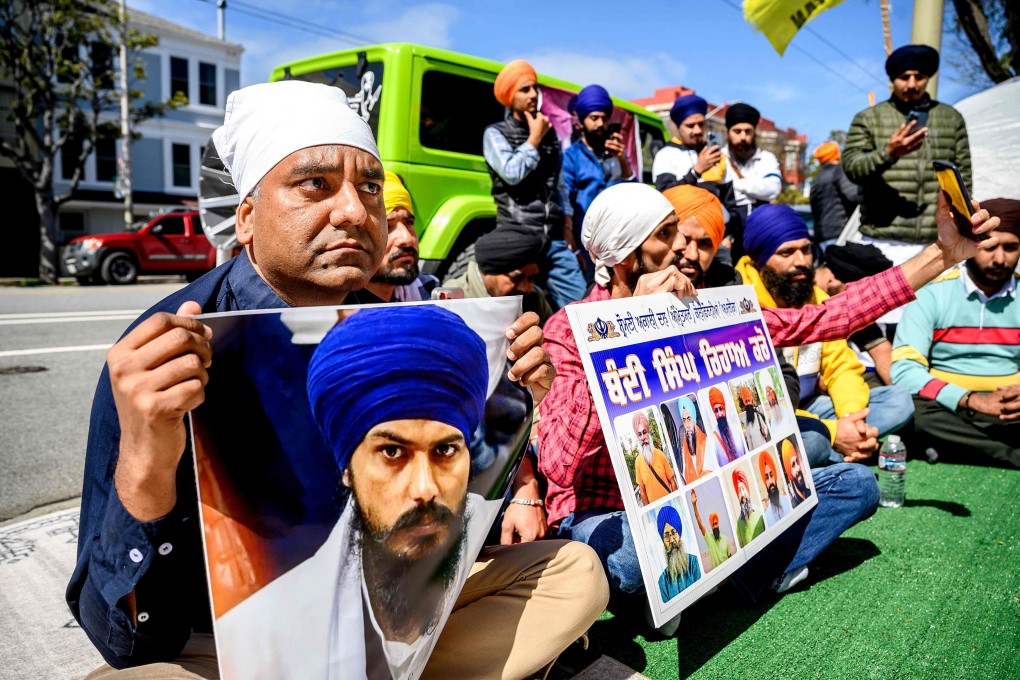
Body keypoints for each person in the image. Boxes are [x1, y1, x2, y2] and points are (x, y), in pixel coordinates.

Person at [69, 80, 609, 680]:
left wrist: (511, 407)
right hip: (232, 647)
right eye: (315, 185)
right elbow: (122, 640)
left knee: (574, 571)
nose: (356, 211)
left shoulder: (393, 324)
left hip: (393, 617)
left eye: (369, 187)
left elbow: (451, 535)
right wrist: (146, 460)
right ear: (246, 217)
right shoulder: (163, 351)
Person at [537, 181, 1001, 614]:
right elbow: (559, 465)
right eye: (666, 235)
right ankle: (738, 575)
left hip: (707, 502)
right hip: (610, 512)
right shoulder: (567, 329)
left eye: (681, 232)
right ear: (623, 254)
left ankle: (713, 584)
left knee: (858, 484)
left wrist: (942, 255)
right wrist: (624, 335)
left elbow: (825, 319)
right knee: (631, 565)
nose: (682, 247)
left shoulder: (698, 308)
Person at [216, 306, 491, 679]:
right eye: (393, 453)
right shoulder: (260, 631)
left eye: (445, 451)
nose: (426, 489)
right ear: (346, 469)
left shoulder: (471, 516)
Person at [734, 204, 915, 465]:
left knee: (899, 401)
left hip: (813, 409)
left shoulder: (816, 299)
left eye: (806, 250)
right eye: (787, 252)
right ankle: (832, 450)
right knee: (815, 441)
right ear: (758, 260)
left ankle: (840, 447)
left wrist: (852, 418)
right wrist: (831, 430)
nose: (801, 262)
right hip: (770, 419)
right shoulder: (741, 305)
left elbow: (841, 367)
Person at [891, 198, 1020, 467]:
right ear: (972, 243)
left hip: (1010, 410)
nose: (1000, 258)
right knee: (907, 409)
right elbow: (904, 370)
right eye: (990, 246)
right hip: (948, 407)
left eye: (1011, 248)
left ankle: (957, 448)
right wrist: (970, 399)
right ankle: (1008, 453)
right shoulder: (931, 293)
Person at [843, 44, 971, 263]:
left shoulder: (951, 118)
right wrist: (889, 153)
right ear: (893, 80)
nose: (912, 84)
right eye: (904, 77)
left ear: (928, 78)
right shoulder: (868, 118)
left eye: (919, 76)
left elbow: (964, 179)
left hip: (937, 241)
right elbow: (852, 167)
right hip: (882, 241)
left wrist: (961, 227)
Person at [483, 59, 586, 308]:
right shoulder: (495, 133)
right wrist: (534, 138)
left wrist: (568, 226)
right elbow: (511, 172)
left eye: (535, 88)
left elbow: (558, 183)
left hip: (553, 237)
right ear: (509, 96)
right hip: (518, 235)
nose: (533, 95)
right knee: (521, 307)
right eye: (525, 89)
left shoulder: (550, 133)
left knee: (579, 302)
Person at [560, 84, 635, 280]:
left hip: (618, 237)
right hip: (586, 238)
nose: (600, 124)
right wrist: (570, 239)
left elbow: (634, 190)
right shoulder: (572, 156)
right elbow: (566, 198)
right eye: (594, 118)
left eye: (604, 118)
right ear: (582, 122)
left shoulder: (616, 153)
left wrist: (622, 160)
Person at [815, 243, 896, 386]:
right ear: (832, 281)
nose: (863, 304)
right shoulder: (794, 297)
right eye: (862, 295)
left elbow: (880, 348)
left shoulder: (846, 305)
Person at [443, 226, 555, 324]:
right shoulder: (454, 299)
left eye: (531, 278)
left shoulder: (535, 299)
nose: (525, 288)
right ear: (487, 271)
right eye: (516, 278)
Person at [363, 171, 439, 302]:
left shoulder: (429, 291)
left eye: (408, 223)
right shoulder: (336, 308)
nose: (407, 239)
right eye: (387, 226)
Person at [721, 103, 782, 226]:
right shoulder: (718, 158)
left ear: (754, 133)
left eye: (747, 131)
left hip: (761, 226)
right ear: (728, 132)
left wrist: (734, 184)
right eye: (737, 131)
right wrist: (756, 187)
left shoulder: (766, 158)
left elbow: (773, 189)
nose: (743, 137)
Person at [809, 141, 859, 252]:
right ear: (836, 153)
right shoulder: (839, 171)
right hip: (841, 233)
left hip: (821, 235)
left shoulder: (817, 179)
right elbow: (853, 196)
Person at [655, 504, 701, 601]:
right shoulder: (663, 581)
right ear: (663, 540)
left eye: (674, 533)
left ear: (679, 534)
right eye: (666, 536)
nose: (671, 540)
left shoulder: (695, 563)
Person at [631, 410, 678, 504]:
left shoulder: (660, 454)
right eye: (639, 434)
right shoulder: (638, 462)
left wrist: (676, 501)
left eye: (644, 432)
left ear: (649, 432)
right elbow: (643, 492)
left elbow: (672, 481)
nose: (643, 437)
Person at [690, 490, 735, 570]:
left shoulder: (725, 538)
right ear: (711, 526)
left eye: (716, 523)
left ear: (718, 523)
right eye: (713, 524)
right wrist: (694, 505)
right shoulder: (709, 538)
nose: (715, 526)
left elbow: (730, 556)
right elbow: (699, 523)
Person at [675, 395, 712, 484]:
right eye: (684, 420)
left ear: (694, 419)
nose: (687, 425)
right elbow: (684, 472)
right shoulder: (683, 445)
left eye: (689, 419)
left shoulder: (706, 442)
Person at [707, 386, 746, 464]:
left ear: (725, 408)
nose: (719, 414)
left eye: (721, 409)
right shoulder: (713, 439)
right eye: (716, 411)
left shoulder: (736, 429)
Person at [732, 469, 765, 547]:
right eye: (739, 490)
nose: (742, 494)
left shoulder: (760, 512)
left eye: (743, 488)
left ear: (747, 489)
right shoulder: (739, 524)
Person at [758, 450, 791, 525]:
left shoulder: (789, 501)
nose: (770, 481)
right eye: (766, 478)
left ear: (775, 476)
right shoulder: (767, 518)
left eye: (771, 475)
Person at [737, 385, 771, 451]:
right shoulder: (746, 421)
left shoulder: (757, 415)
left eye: (749, 400)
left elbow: (765, 427)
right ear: (744, 404)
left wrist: (765, 432)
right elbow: (749, 441)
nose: (748, 403)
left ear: (751, 401)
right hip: (756, 450)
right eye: (746, 401)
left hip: (764, 445)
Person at [781, 439, 811, 509]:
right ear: (789, 473)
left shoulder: (810, 492)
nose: (798, 468)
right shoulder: (793, 506)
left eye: (797, 461)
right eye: (793, 465)